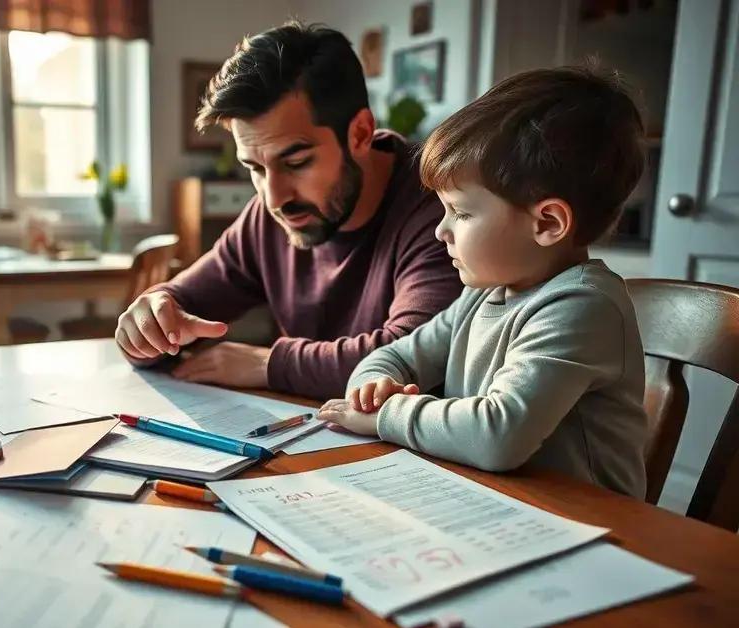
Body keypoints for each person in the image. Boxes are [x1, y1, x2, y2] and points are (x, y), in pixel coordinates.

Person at [319, 65, 649, 498]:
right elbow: (395, 357)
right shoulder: (481, 296)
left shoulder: (583, 306)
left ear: (547, 222)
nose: (441, 230)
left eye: (462, 212)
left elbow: (497, 436)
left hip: (595, 528)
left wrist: (387, 415)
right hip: (497, 503)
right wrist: (371, 389)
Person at [115, 21, 462, 399]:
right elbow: (183, 303)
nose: (273, 197)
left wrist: (268, 365)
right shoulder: (267, 216)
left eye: (296, 162)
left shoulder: (441, 204)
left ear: (360, 133)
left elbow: (412, 357)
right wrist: (150, 320)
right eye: (255, 168)